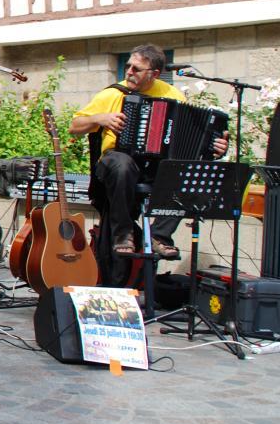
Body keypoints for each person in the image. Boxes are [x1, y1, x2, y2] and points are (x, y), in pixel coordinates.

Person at [69, 44, 227, 263]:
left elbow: (196, 137)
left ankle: (160, 235)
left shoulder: (172, 95)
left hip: (156, 165)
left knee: (185, 169)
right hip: (117, 158)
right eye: (128, 66)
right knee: (121, 165)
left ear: (154, 74)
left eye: (136, 68)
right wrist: (100, 118)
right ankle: (123, 234)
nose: (129, 72)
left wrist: (215, 146)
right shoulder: (113, 93)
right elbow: (74, 125)